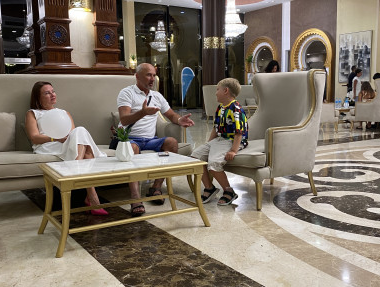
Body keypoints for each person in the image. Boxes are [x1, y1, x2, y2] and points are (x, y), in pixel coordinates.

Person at [116, 63, 194, 217]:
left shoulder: (157, 96)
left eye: (153, 75)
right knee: (133, 148)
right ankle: (135, 197)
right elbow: (124, 120)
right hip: (129, 139)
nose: (152, 79)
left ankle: (156, 187)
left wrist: (180, 120)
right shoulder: (126, 93)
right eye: (148, 75)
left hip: (150, 140)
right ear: (137, 76)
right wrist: (143, 112)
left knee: (171, 142)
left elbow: (171, 115)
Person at [25, 81, 108, 215]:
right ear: (38, 97)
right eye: (47, 93)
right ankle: (92, 197)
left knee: (80, 130)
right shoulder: (33, 113)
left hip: (65, 144)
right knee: (87, 152)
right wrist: (55, 138)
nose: (52, 95)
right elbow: (34, 137)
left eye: (53, 91)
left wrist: (64, 138)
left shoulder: (64, 113)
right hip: (47, 145)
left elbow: (74, 135)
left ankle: (76, 168)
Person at [191, 78, 248, 206]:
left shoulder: (236, 109)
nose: (216, 93)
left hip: (231, 140)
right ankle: (209, 188)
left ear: (226, 91)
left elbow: (239, 132)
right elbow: (215, 128)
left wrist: (233, 150)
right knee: (195, 157)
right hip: (219, 140)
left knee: (214, 163)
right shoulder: (220, 108)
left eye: (218, 90)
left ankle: (229, 191)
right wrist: (209, 144)